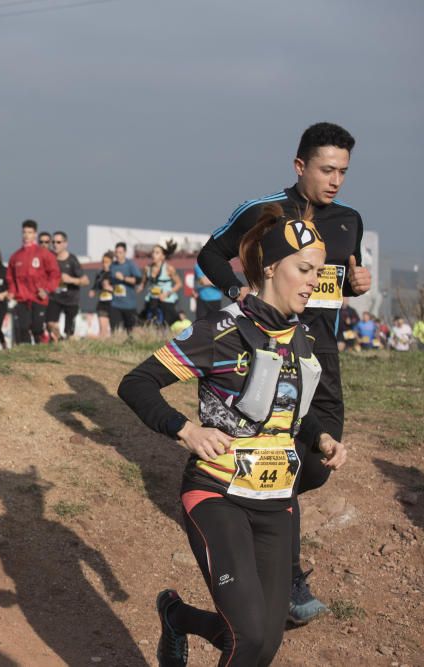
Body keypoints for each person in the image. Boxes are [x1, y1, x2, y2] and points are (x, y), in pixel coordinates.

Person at [119, 204, 347, 667]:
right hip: (217, 493)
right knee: (247, 638)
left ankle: (177, 617)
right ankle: (179, 618)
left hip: (276, 502)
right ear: (268, 268)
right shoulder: (219, 331)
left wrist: (322, 437)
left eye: (317, 272)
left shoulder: (298, 335)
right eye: (303, 270)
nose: (312, 282)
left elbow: (290, 411)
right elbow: (136, 383)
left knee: (264, 641)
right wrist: (186, 429)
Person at [197, 122, 371, 623]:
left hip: (323, 359)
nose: (335, 179)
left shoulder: (349, 220)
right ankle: (285, 580)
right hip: (269, 353)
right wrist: (239, 294)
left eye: (343, 171)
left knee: (316, 462)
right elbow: (212, 253)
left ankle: (262, 529)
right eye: (326, 169)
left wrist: (357, 286)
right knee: (282, 459)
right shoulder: (264, 210)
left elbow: (335, 283)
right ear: (301, 166)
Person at [7, 220, 61, 345]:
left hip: (38, 298)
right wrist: (11, 292)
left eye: (30, 232)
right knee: (23, 328)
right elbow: (10, 277)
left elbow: (55, 274)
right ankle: (26, 355)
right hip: (21, 298)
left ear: (35, 234)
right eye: (24, 232)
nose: (26, 235)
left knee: (37, 327)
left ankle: (42, 347)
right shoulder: (15, 256)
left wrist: (47, 289)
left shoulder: (43, 253)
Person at [47, 231, 89, 341]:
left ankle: (66, 345)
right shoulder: (50, 258)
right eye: (53, 242)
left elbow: (85, 281)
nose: (55, 244)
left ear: (65, 244)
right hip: (55, 297)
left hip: (71, 299)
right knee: (50, 323)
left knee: (69, 332)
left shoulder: (72, 260)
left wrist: (70, 279)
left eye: (58, 242)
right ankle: (60, 339)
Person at [141, 240, 182, 327]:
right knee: (149, 323)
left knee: (166, 324)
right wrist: (139, 287)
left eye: (157, 253)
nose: (153, 255)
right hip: (152, 299)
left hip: (166, 300)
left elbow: (179, 284)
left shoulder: (169, 268)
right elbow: (143, 283)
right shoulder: (147, 269)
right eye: (153, 252)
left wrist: (167, 293)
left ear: (163, 256)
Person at [109, 241, 142, 334]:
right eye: (116, 252)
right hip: (115, 304)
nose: (118, 255)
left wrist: (123, 278)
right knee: (115, 331)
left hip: (129, 305)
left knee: (131, 332)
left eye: (120, 252)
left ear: (125, 253)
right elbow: (110, 280)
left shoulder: (130, 264)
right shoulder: (113, 265)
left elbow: (138, 280)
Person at [88, 251, 115, 338]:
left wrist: (110, 288)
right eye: (103, 261)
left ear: (112, 262)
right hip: (102, 302)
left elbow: (120, 290)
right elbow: (95, 286)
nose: (104, 264)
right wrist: (93, 291)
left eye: (107, 262)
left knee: (114, 331)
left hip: (113, 303)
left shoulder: (115, 273)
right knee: (103, 330)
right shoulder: (100, 274)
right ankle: (102, 349)